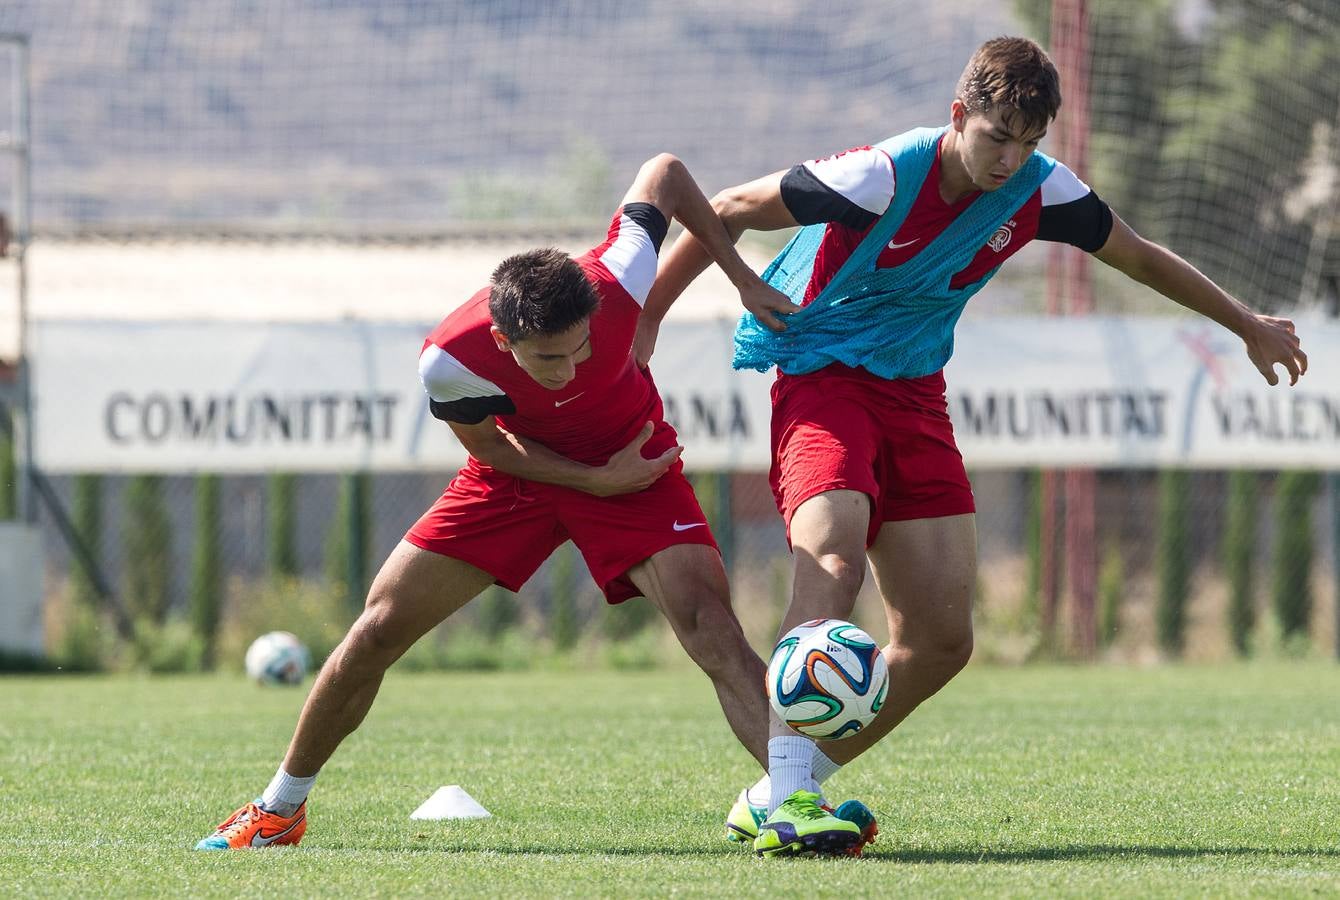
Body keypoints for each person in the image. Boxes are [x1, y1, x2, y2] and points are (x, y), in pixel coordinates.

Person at [637, 36, 1308, 858]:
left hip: (916, 394)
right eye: (997, 136)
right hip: (823, 378)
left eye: (1028, 143)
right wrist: (649, 323)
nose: (1010, 159)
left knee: (942, 641)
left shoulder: (1039, 190)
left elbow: (1135, 255)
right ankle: (786, 800)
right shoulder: (880, 175)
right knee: (834, 563)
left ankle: (780, 790)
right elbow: (732, 207)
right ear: (960, 116)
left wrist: (1246, 323)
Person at [195, 153, 805, 851]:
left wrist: (742, 277)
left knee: (710, 627)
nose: (570, 368)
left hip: (635, 466)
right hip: (521, 476)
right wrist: (591, 481)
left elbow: (665, 173)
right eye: (549, 360)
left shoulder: (617, 274)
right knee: (376, 631)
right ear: (501, 339)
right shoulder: (450, 361)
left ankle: (795, 803)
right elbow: (487, 448)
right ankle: (279, 811)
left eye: (580, 349)